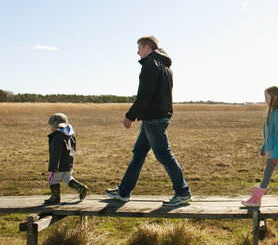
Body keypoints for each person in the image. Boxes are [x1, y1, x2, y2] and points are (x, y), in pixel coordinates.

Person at [105, 36, 191, 206]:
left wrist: (130, 115)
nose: (137, 52)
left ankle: (182, 192)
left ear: (147, 48)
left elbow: (145, 94)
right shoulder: (164, 65)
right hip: (155, 117)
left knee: (164, 155)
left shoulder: (151, 64)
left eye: (139, 48)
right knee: (138, 153)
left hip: (154, 118)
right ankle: (123, 191)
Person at [45, 113, 88, 204]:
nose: (50, 128)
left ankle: (55, 197)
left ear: (56, 126)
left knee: (52, 180)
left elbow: (55, 154)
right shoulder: (70, 136)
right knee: (67, 178)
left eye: (51, 126)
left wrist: (53, 167)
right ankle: (81, 188)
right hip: (69, 163)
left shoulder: (56, 138)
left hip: (58, 165)